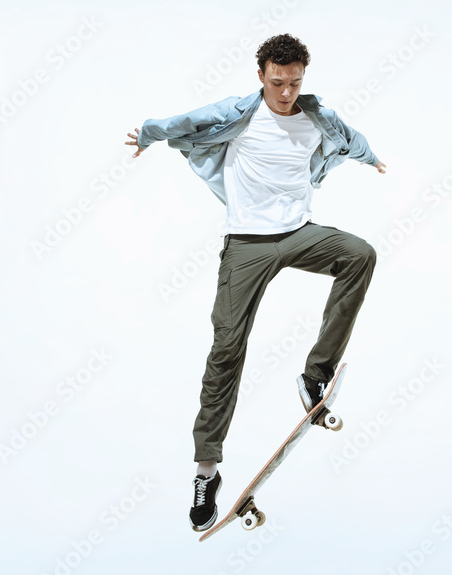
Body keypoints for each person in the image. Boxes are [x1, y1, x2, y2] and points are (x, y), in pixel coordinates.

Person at [124, 33, 386, 531]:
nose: (286, 92)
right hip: (246, 243)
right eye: (277, 82)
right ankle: (206, 471)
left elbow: (350, 138)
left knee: (360, 255)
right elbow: (187, 122)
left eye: (294, 82)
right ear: (261, 76)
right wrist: (149, 134)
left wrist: (370, 158)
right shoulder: (239, 114)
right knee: (226, 347)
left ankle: (315, 375)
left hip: (300, 234)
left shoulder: (315, 118)